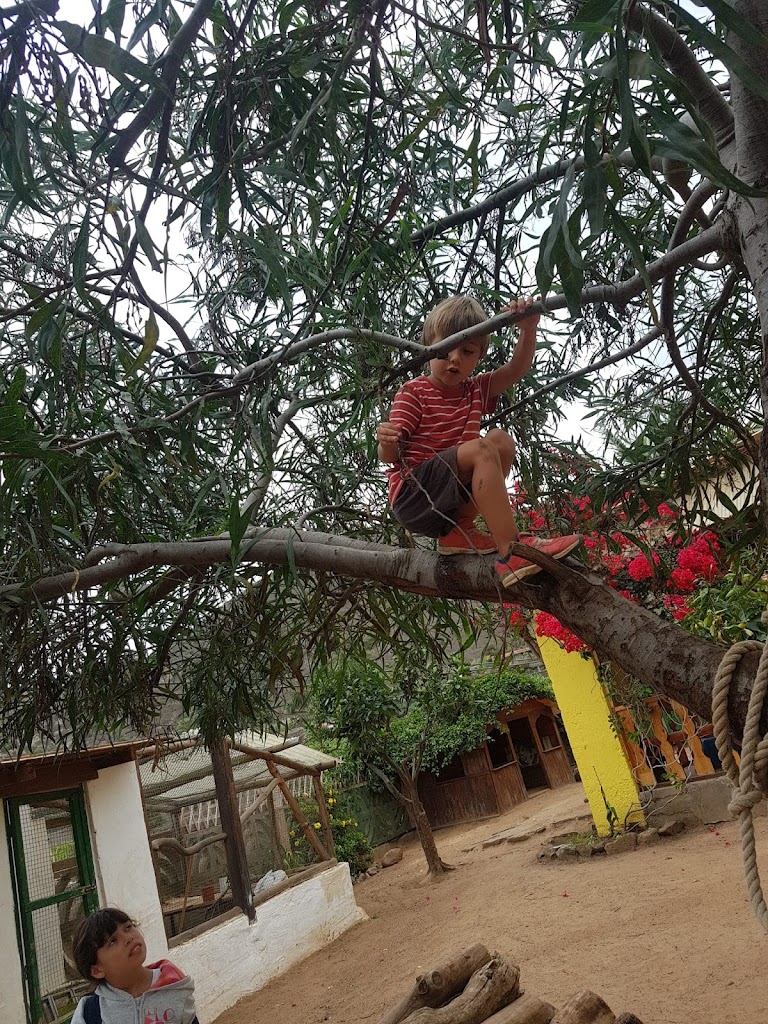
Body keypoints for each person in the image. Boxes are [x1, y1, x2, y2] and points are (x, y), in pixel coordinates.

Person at [376, 294, 580, 586]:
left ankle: (459, 530)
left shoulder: (474, 389)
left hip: (448, 499)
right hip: (415, 495)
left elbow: (515, 370)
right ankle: (513, 552)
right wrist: (386, 442)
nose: (455, 358)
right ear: (428, 347)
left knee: (501, 441)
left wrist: (528, 328)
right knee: (483, 448)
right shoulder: (414, 392)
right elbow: (391, 457)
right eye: (445, 349)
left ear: (478, 357)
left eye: (467, 350)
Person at [71, 907, 198, 1024]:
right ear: (97, 970)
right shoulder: (90, 1014)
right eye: (113, 941)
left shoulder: (174, 987)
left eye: (127, 927)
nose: (128, 937)